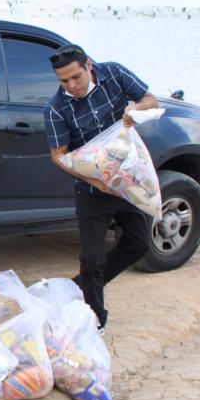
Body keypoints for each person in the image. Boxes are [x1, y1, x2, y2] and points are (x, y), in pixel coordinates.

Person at [44, 44, 159, 334]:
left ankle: (79, 288)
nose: (71, 86)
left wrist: (136, 109)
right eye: (63, 81)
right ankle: (96, 319)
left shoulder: (114, 74)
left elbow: (150, 100)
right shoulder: (56, 108)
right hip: (92, 191)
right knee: (91, 259)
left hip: (128, 182)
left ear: (89, 66)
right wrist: (94, 180)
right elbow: (58, 155)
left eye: (76, 78)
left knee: (139, 244)